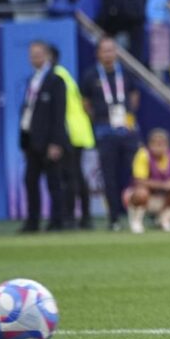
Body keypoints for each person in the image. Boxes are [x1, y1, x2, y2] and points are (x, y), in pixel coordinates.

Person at [81, 36, 141, 231]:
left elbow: (134, 96)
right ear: (98, 53)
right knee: (109, 176)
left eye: (111, 49)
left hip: (126, 128)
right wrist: (100, 119)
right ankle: (114, 218)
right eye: (104, 50)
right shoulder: (91, 75)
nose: (108, 54)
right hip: (104, 129)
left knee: (135, 173)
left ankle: (136, 214)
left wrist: (128, 117)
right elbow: (86, 103)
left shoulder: (125, 73)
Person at [19, 41, 69, 233]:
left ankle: (57, 221)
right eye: (32, 54)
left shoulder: (56, 80)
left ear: (48, 56)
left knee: (54, 182)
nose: (35, 58)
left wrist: (56, 142)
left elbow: (59, 114)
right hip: (31, 139)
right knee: (30, 181)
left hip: (49, 141)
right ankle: (32, 221)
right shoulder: (32, 79)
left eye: (39, 54)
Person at [48, 44, 95, 230]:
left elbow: (60, 109)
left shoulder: (57, 76)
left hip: (72, 131)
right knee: (76, 175)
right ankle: (83, 217)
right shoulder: (63, 74)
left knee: (72, 176)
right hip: (77, 129)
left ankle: (74, 217)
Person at [126, 128, 170, 234]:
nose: (159, 148)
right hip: (146, 197)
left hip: (165, 197)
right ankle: (136, 221)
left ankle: (164, 220)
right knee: (141, 193)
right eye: (156, 144)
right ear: (149, 144)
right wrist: (163, 185)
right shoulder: (143, 155)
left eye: (162, 144)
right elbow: (139, 180)